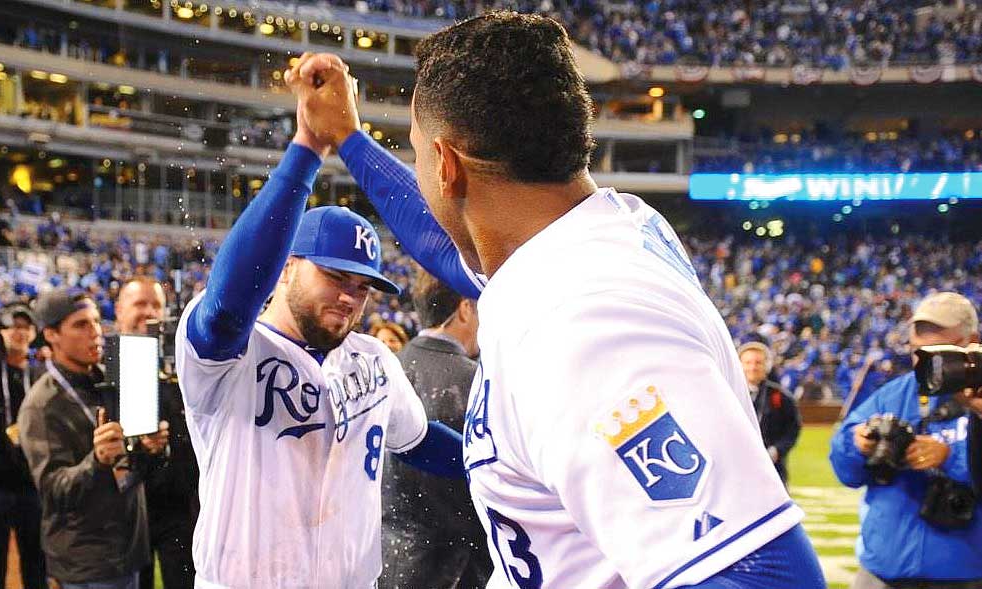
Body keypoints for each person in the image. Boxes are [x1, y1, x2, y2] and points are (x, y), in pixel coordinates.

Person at [291, 13, 823, 589]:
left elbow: (763, 577)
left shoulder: (579, 320)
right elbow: (442, 239)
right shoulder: (584, 239)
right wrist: (347, 137)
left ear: (446, 166)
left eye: (418, 153)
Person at [175, 55, 463, 589]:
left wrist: (510, 468)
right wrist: (306, 151)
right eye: (336, 276)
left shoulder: (374, 358)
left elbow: (420, 441)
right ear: (286, 268)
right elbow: (229, 303)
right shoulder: (228, 357)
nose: (351, 296)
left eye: (363, 286)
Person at [18, 289, 170, 589]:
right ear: (51, 334)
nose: (96, 333)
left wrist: (151, 450)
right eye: (81, 325)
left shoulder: (109, 381)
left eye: (97, 322)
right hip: (88, 562)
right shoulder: (41, 405)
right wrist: (97, 460)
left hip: (129, 549)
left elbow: (133, 465)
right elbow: (52, 491)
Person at [830, 292, 982, 588]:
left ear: (971, 341)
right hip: (884, 570)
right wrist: (858, 445)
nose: (924, 364)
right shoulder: (893, 394)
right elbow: (844, 469)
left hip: (966, 573)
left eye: (937, 354)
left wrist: (951, 457)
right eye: (917, 353)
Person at [382, 271, 491, 589]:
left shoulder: (384, 368)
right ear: (465, 308)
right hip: (456, 570)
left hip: (383, 562)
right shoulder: (479, 382)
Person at [114, 277, 198, 589]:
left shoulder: (180, 362)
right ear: (120, 309)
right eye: (140, 304)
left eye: (156, 305)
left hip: (178, 507)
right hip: (126, 508)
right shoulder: (103, 364)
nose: (149, 312)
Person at [0, 304, 47, 589]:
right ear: (2, 331)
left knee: (36, 562)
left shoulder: (41, 374)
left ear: (35, 332)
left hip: (31, 481)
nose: (20, 332)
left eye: (26, 327)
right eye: (14, 326)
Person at [738, 341, 802, 484]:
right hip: (736, 467)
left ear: (767, 366)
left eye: (758, 362)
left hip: (772, 468)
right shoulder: (728, 395)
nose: (753, 367)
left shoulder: (780, 396)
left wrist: (776, 451)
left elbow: (793, 428)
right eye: (748, 362)